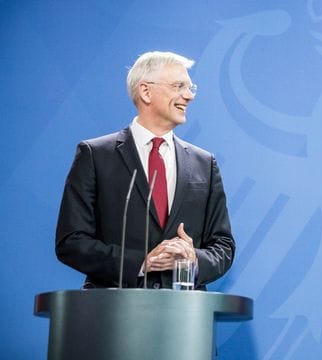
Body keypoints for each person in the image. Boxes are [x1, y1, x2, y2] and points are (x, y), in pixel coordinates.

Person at [55, 51, 235, 289]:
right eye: (179, 86)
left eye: (191, 87)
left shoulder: (205, 163)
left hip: (184, 314)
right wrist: (141, 263)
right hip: (114, 310)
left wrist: (194, 259)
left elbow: (223, 246)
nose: (189, 96)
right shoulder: (96, 155)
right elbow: (71, 241)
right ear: (146, 91)